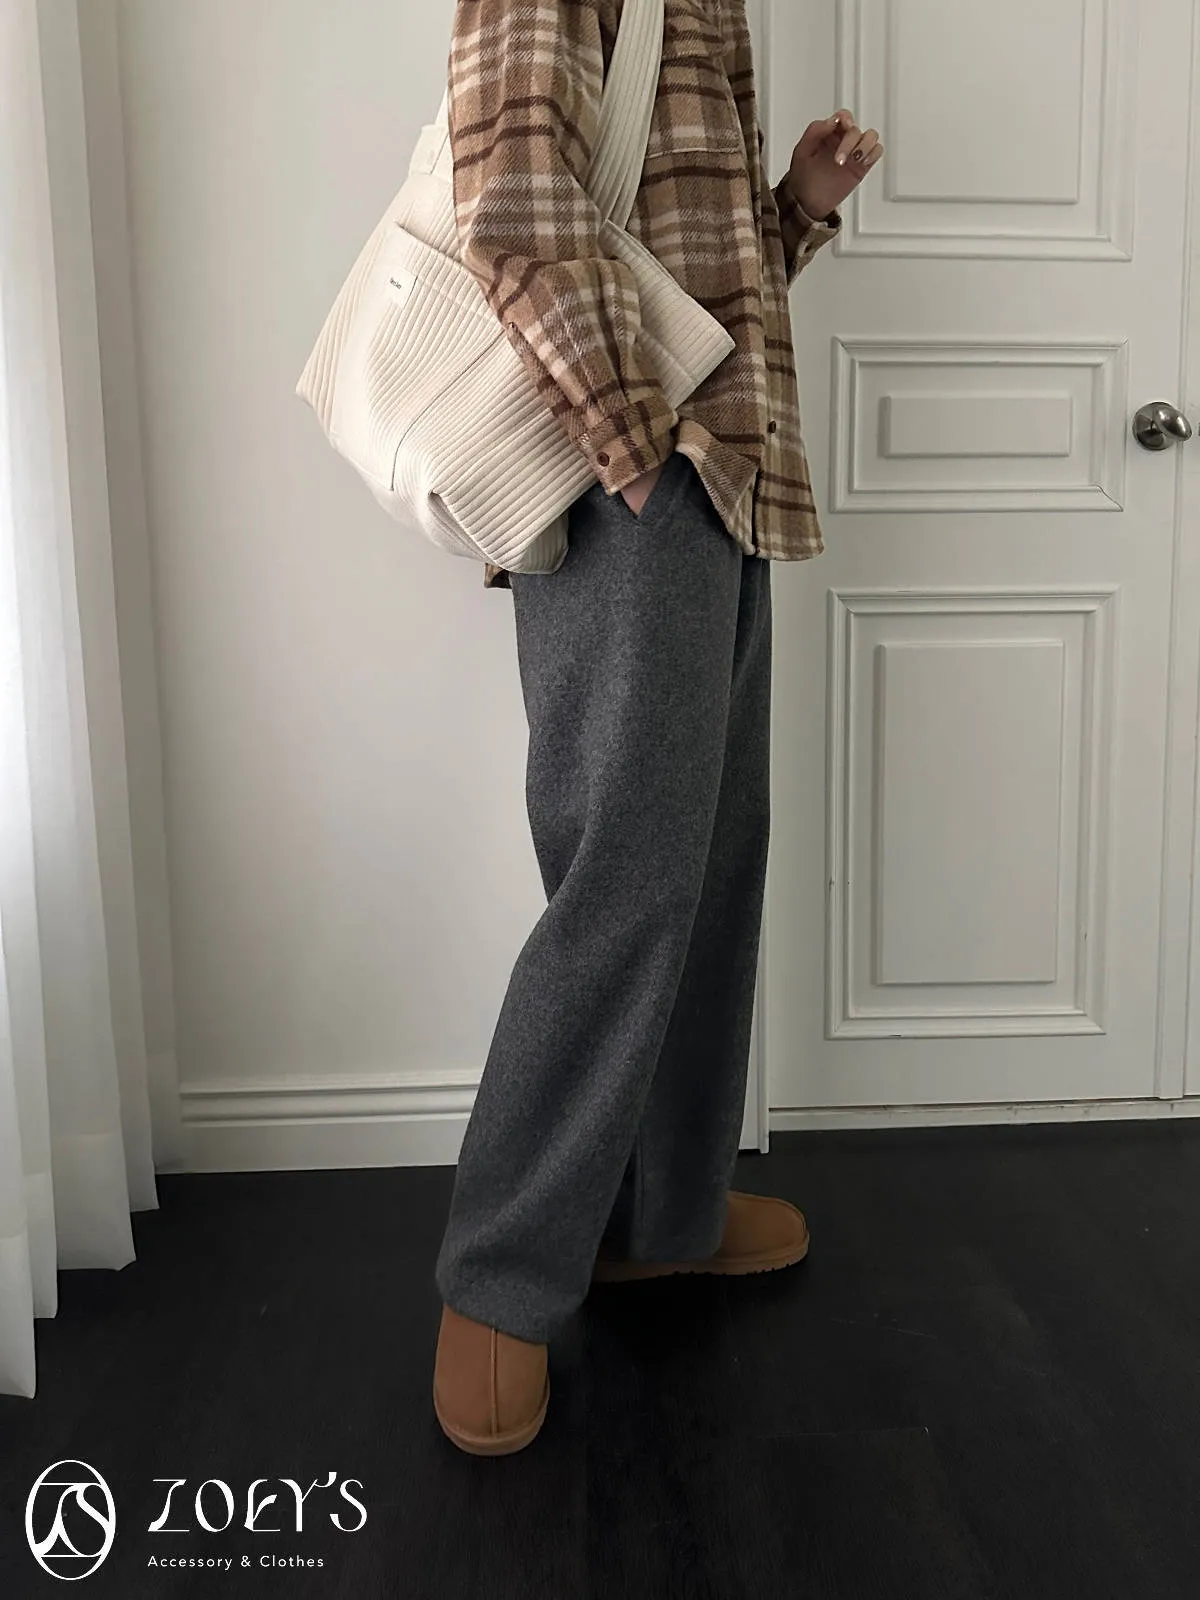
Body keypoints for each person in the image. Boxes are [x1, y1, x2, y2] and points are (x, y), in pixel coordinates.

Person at [432, 0, 882, 1456]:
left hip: (725, 475)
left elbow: (695, 274)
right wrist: (635, 453)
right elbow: (513, 206)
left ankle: (662, 1215)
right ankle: (499, 1280)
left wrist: (794, 208)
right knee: (624, 883)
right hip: (631, 480)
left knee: (713, 861)